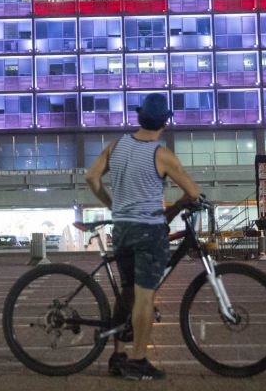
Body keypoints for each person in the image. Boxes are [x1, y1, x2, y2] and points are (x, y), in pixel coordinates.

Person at [85, 93, 201, 381]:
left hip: (122, 229)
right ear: (164, 122)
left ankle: (118, 355)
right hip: (149, 231)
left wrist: (112, 205)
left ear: (139, 116)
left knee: (127, 292)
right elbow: (194, 193)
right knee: (145, 296)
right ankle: (137, 361)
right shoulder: (162, 155)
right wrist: (174, 210)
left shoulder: (118, 146)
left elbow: (92, 177)